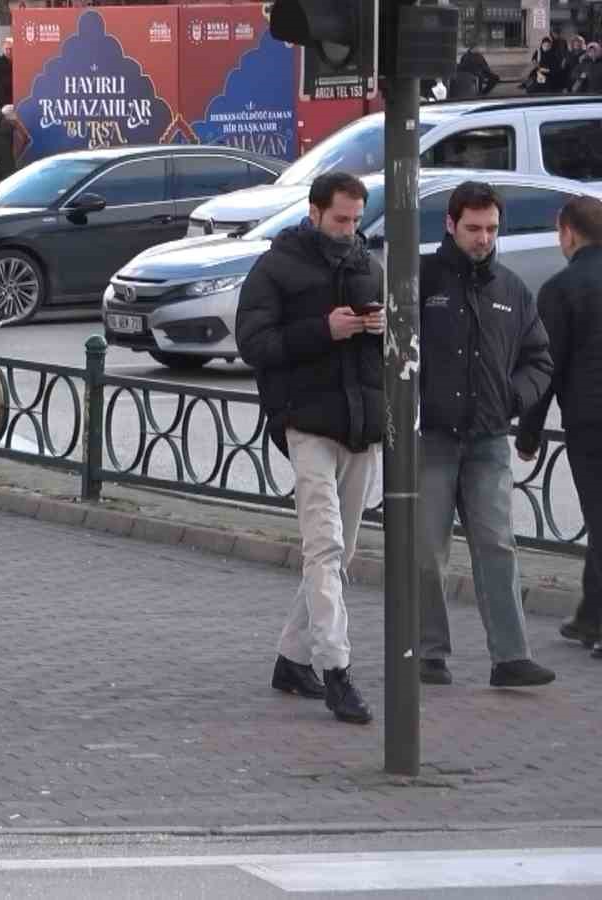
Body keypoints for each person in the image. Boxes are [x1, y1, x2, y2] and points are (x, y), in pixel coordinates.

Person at [233, 172, 385, 725]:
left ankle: (292, 659)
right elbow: (254, 344)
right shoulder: (277, 266)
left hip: (359, 425)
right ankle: (338, 670)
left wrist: (384, 328)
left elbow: (392, 347)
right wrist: (324, 330)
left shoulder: (369, 264)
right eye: (340, 219)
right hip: (306, 423)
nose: (349, 230)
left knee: (340, 553)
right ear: (315, 212)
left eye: (356, 220)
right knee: (323, 546)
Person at [417, 180, 556, 688]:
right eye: (473, 228)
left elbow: (539, 357)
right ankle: (427, 651)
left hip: (488, 439)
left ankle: (511, 657)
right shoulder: (421, 277)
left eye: (492, 229)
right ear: (450, 225)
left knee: (498, 545)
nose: (483, 239)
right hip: (429, 437)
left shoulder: (511, 289)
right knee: (426, 550)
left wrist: (514, 398)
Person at [517, 196, 602, 653]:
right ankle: (591, 617)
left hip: (592, 422)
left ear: (567, 233)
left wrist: (529, 434)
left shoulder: (562, 288)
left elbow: (545, 368)